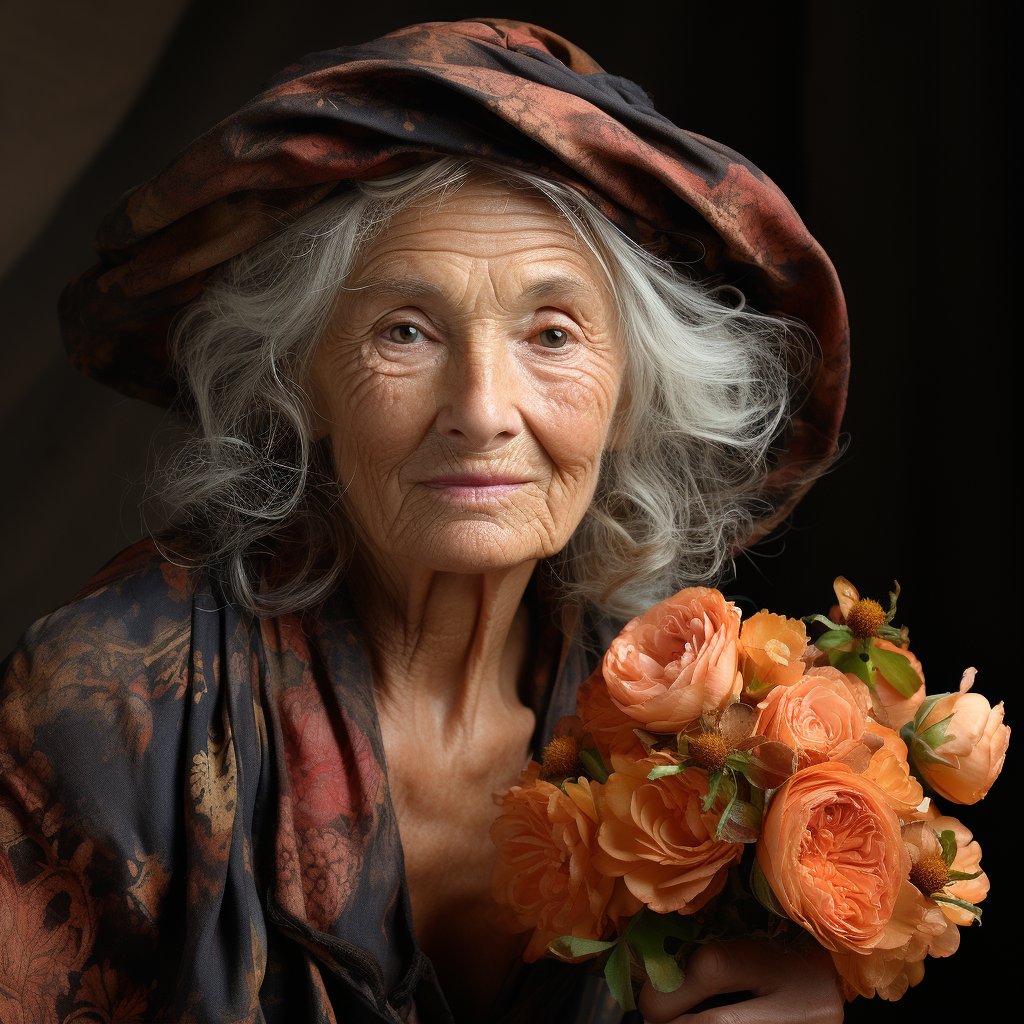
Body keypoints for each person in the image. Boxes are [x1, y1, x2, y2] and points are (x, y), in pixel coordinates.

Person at [0, 18, 849, 1024]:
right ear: (303, 383)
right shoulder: (110, 699)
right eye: (405, 330)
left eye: (551, 332)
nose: (483, 407)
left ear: (627, 398)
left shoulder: (696, 734)